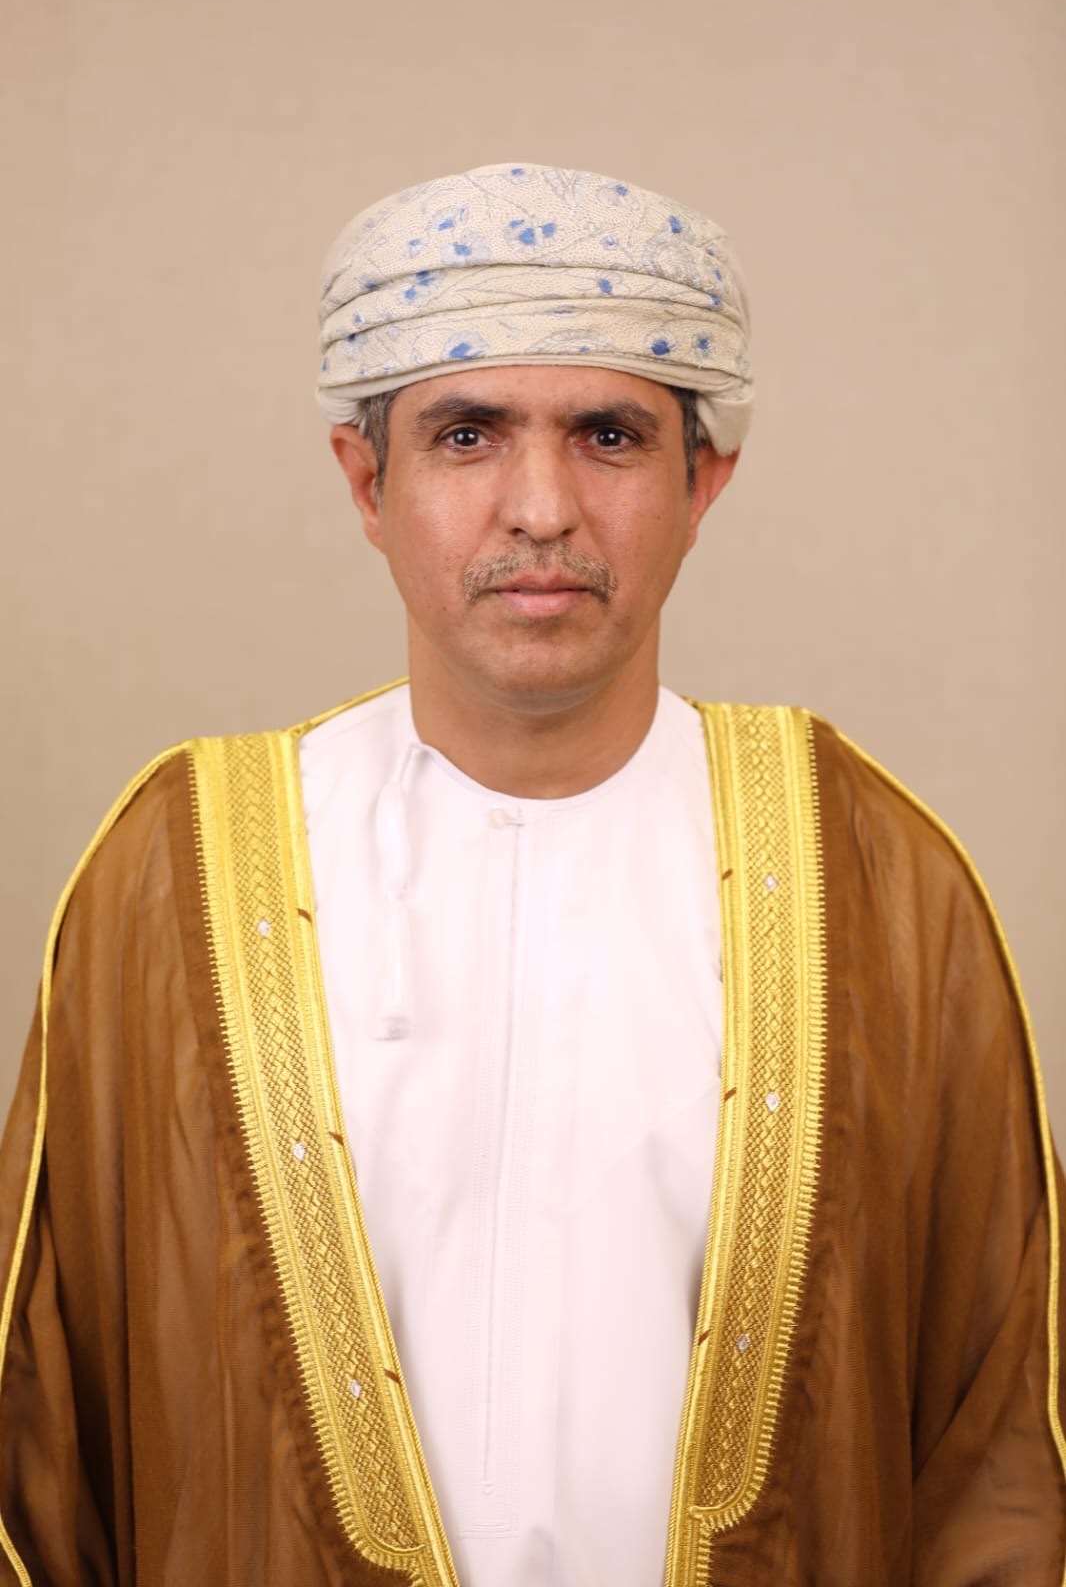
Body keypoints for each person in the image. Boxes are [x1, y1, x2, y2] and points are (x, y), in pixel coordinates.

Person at [0, 163, 1062, 1587]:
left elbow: (998, 1460)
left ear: (703, 482)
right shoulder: (172, 878)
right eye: (468, 436)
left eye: (610, 436)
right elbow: (42, 1449)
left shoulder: (878, 886)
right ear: (367, 481)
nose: (543, 507)